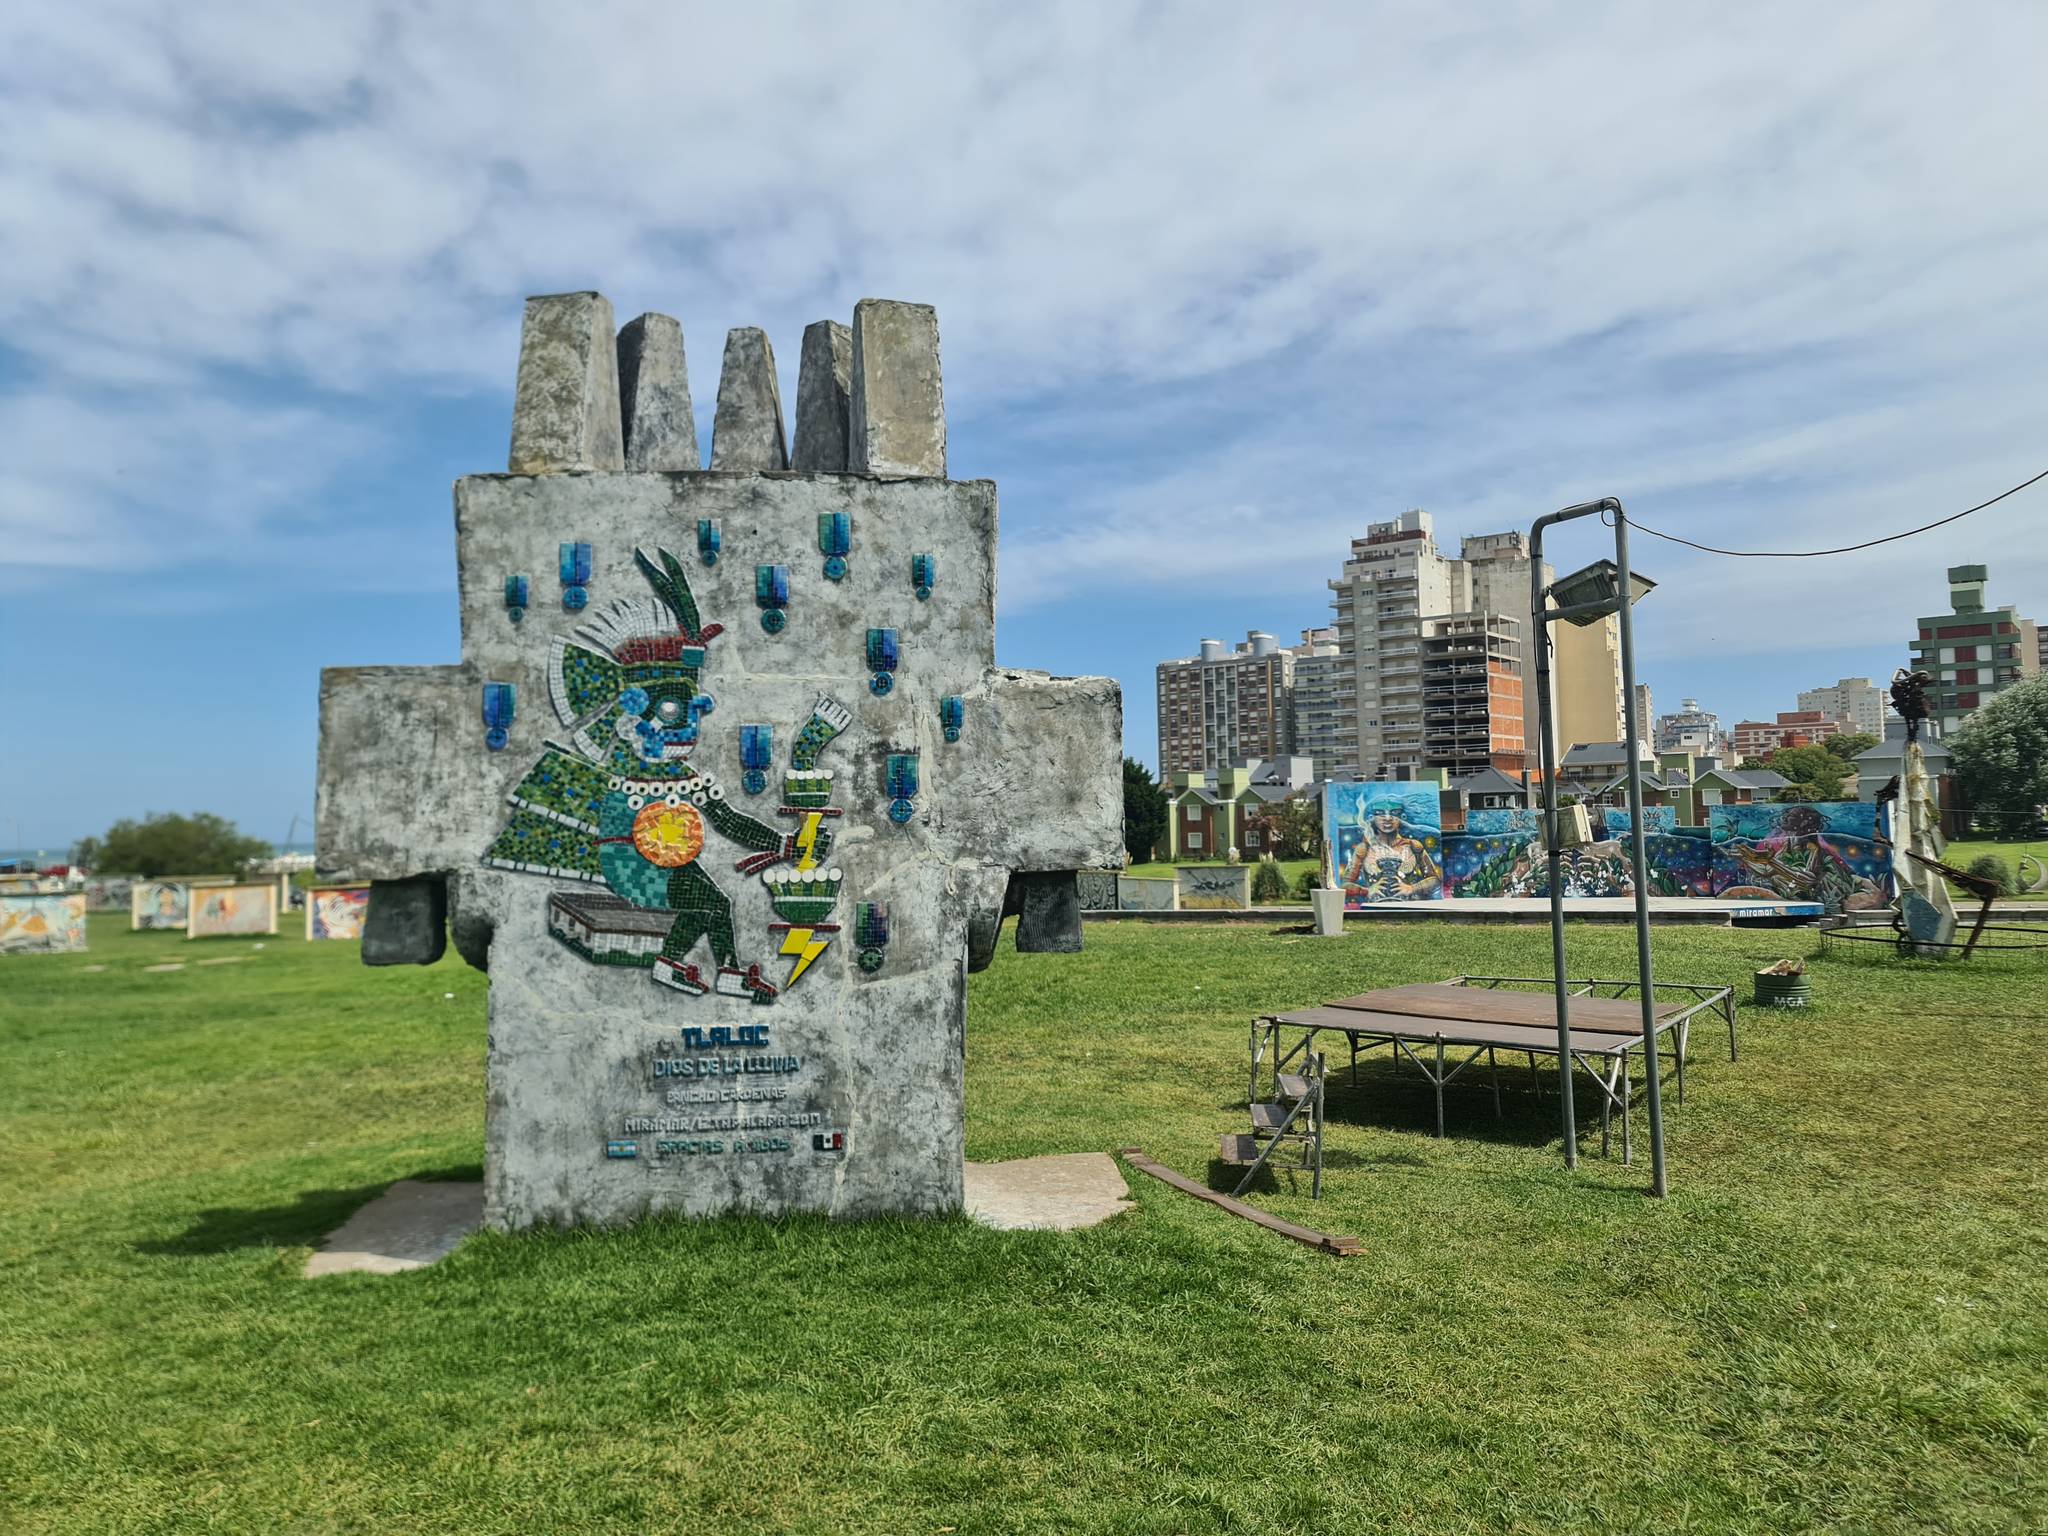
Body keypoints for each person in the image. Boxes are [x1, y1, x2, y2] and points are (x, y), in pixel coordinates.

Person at [1341, 797, 1440, 900]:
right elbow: (1344, 885)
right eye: (1380, 813)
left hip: (1408, 907)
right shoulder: (1364, 849)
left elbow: (1434, 880)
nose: (1387, 818)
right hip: (1375, 909)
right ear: (1372, 818)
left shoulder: (1413, 846)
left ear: (1402, 817)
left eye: (1394, 813)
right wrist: (1366, 890)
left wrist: (1412, 888)